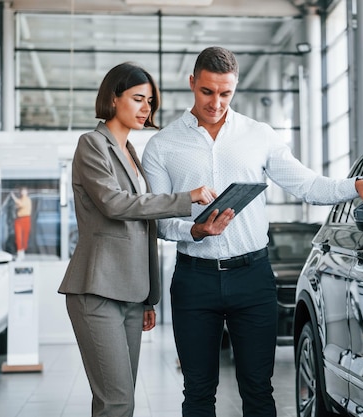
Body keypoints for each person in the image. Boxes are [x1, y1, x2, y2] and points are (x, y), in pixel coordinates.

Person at [141, 46, 363, 417]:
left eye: (225, 93)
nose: (216, 102)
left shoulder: (258, 135)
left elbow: (308, 186)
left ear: (235, 88)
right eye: (207, 91)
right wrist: (196, 230)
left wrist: (354, 185)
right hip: (194, 281)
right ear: (192, 83)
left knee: (259, 391)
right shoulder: (162, 146)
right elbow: (161, 222)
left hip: (252, 278)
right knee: (198, 392)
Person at [57, 62, 235, 417]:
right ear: (113, 98)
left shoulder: (132, 155)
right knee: (116, 401)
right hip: (97, 289)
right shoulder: (92, 144)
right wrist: (186, 198)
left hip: (131, 294)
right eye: (138, 99)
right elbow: (115, 204)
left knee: (122, 400)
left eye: (150, 101)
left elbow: (145, 230)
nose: (145, 109)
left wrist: (149, 298)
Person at [11, 186, 32, 260]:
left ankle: (22, 252)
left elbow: (20, 204)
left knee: (24, 237)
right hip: (19, 219)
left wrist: (13, 197)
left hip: (25, 219)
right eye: (22, 191)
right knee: (18, 236)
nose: (22, 192)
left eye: (24, 191)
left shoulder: (27, 200)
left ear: (27, 192)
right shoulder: (20, 199)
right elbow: (17, 206)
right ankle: (19, 252)